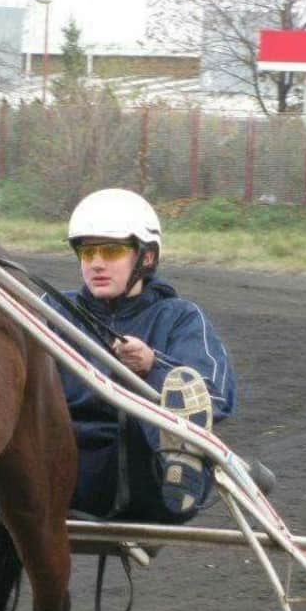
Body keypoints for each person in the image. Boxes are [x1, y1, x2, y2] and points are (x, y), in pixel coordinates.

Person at [45, 188, 237, 523]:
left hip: (148, 478)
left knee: (172, 406)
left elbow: (216, 395)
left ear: (146, 257)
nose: (97, 264)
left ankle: (182, 460)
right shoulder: (54, 310)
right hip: (63, 467)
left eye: (111, 250)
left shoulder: (179, 317)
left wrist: (153, 366)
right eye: (87, 253)